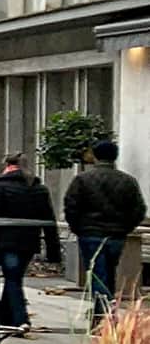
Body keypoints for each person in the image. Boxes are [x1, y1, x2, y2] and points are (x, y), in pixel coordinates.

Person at [62, 139, 144, 325]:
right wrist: (125, 228)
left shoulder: (82, 180)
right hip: (116, 235)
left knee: (97, 274)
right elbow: (138, 209)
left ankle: (105, 314)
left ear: (95, 156)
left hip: (91, 233)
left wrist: (78, 228)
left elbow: (71, 206)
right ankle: (102, 314)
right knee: (108, 271)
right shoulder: (127, 181)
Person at [0, 155, 58, 333]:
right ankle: (4, 317)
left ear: (7, 166)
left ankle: (20, 319)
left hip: (5, 242)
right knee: (14, 277)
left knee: (12, 279)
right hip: (29, 243)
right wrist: (53, 250)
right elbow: (49, 219)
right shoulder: (39, 188)